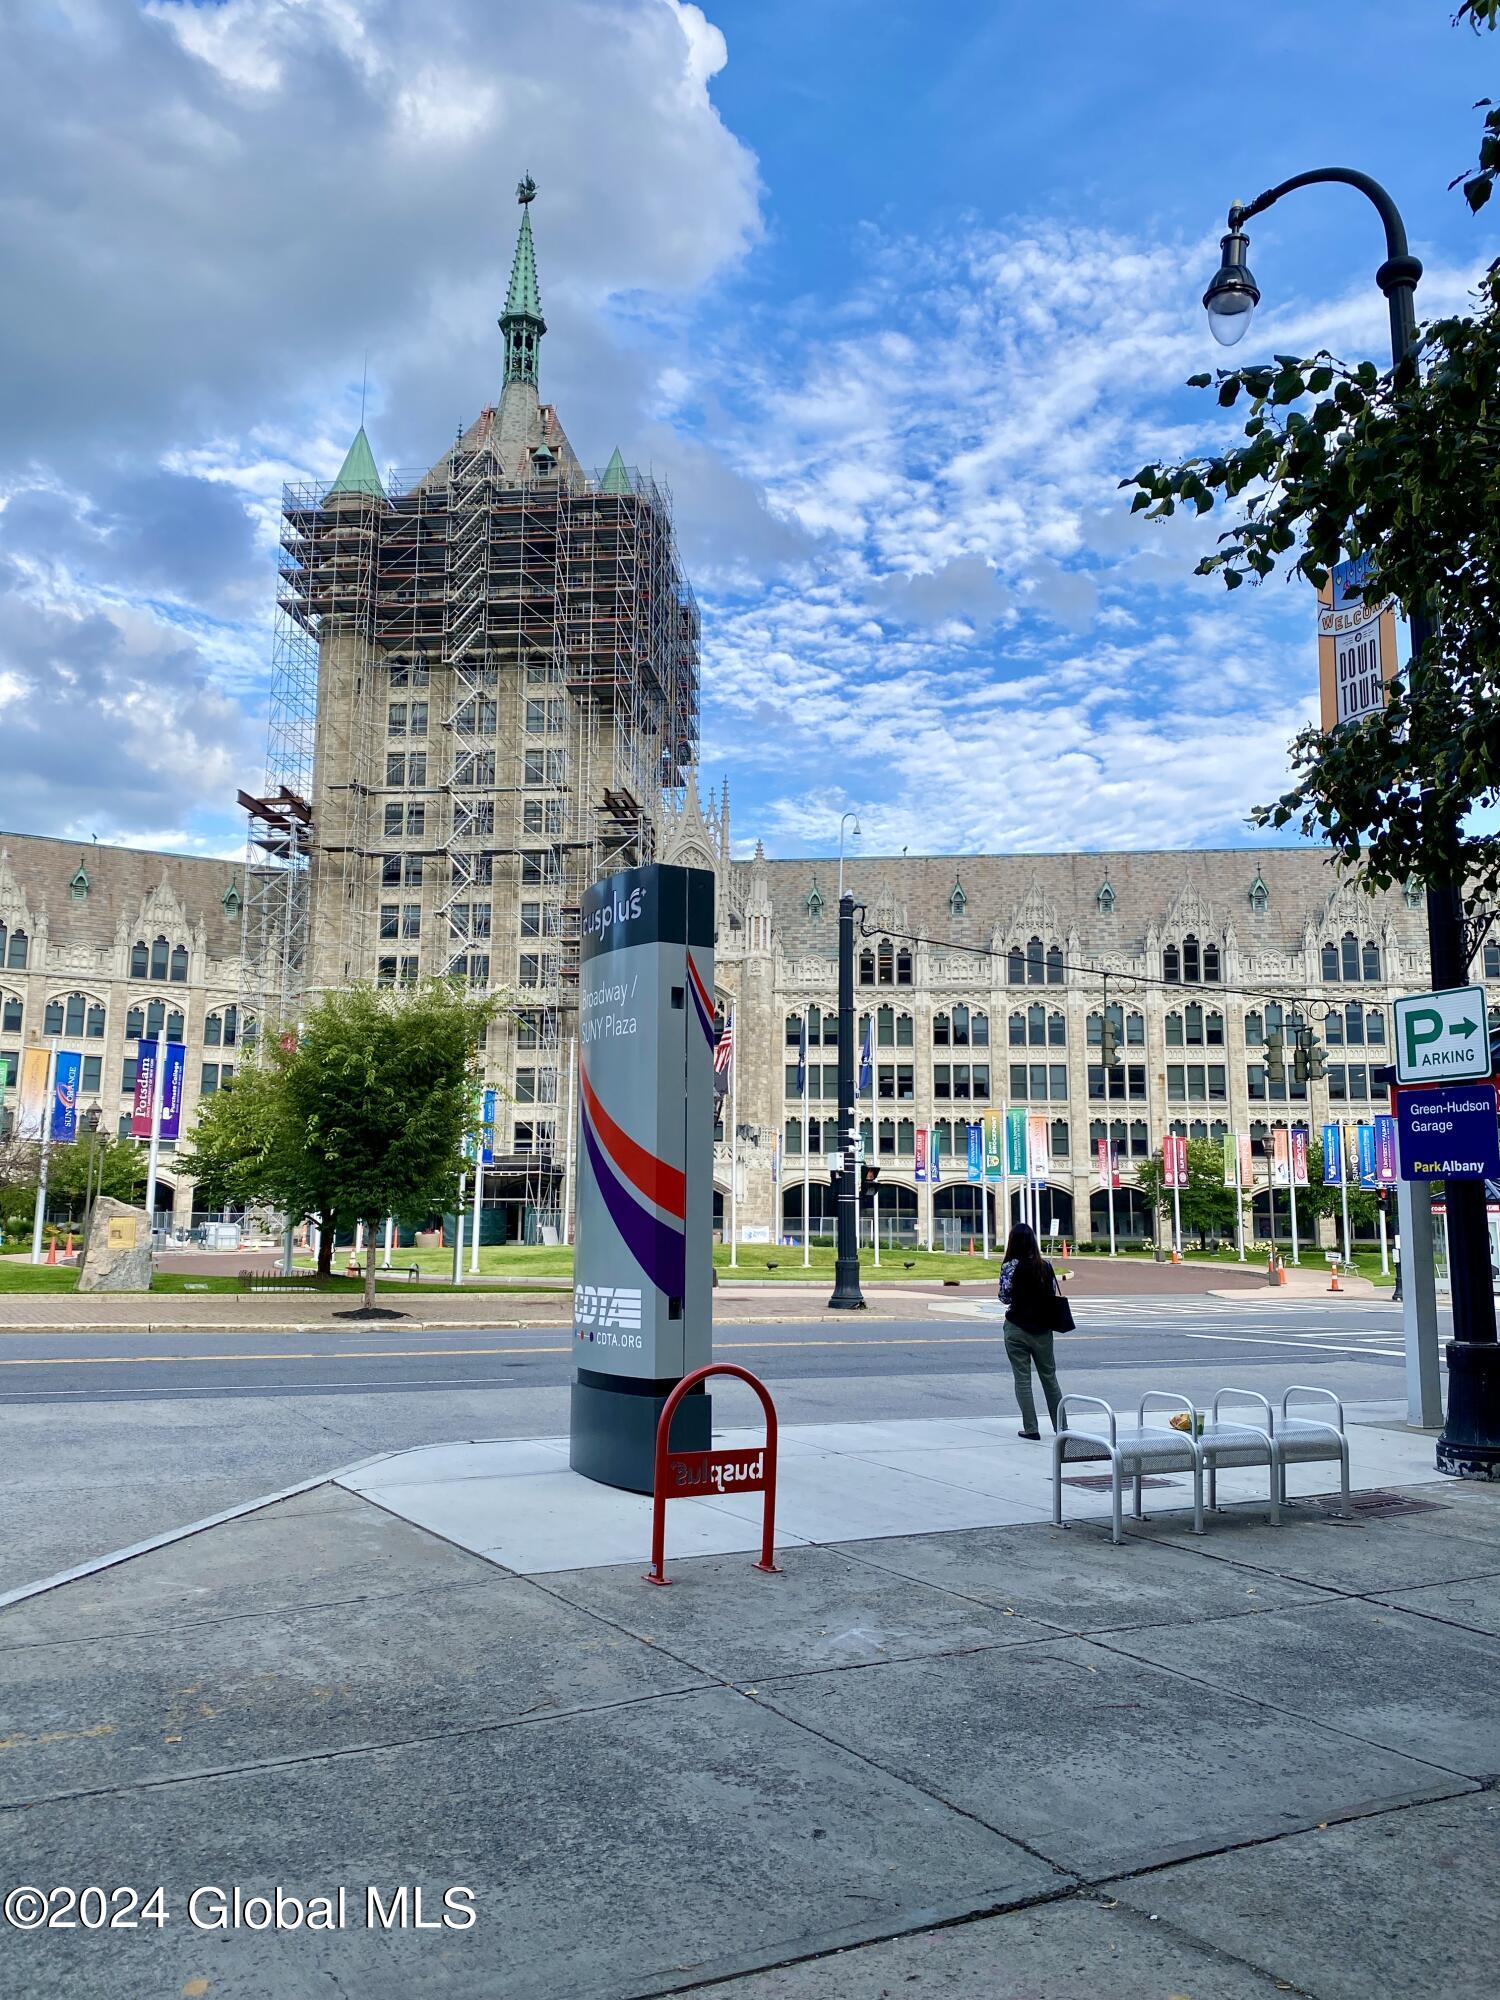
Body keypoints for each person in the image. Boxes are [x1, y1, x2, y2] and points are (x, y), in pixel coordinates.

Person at [998, 1221, 1064, 1439]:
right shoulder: (1044, 1266)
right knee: (1049, 1377)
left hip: (1016, 1325)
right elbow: (1052, 1294)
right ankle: (1061, 1427)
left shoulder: (1009, 1266)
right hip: (1043, 1328)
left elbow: (1004, 1296)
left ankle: (1031, 1427)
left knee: (1022, 1379)